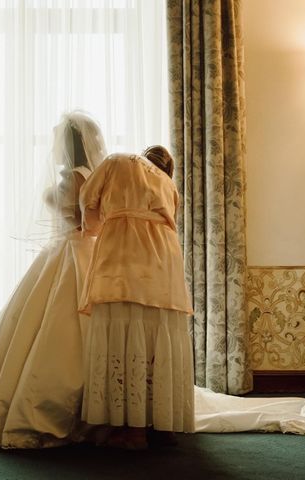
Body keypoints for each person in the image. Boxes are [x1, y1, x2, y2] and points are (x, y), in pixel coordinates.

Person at [0, 111, 107, 448]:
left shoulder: (79, 178)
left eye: (56, 140)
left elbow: (89, 223)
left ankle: (55, 413)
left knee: (60, 327)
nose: (52, 147)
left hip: (73, 254)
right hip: (67, 253)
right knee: (40, 324)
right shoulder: (82, 175)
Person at [78, 145, 195, 450]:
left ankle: (131, 430)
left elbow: (88, 202)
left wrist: (97, 227)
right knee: (156, 335)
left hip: (126, 254)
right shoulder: (169, 185)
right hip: (164, 262)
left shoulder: (117, 161)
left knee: (124, 331)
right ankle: (161, 423)